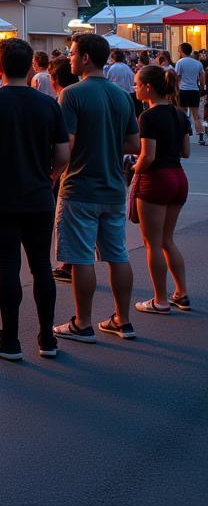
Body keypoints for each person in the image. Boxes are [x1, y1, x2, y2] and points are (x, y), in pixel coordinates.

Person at [0, 38, 70, 360]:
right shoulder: (49, 104)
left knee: (8, 268)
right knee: (41, 266)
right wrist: (50, 176)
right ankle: (47, 339)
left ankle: (10, 339)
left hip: (0, 197)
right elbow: (63, 154)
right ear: (30, 68)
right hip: (39, 197)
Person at [52, 34, 140, 344]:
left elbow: (68, 144)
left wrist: (52, 172)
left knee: (80, 257)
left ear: (86, 57)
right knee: (118, 255)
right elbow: (133, 143)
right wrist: (105, 142)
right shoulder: (121, 96)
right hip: (114, 187)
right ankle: (123, 320)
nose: (70, 58)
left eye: (73, 53)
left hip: (79, 187)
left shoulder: (72, 95)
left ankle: (83, 322)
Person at [132, 65, 191, 313]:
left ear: (148, 87)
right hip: (179, 177)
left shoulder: (148, 117)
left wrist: (133, 168)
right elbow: (185, 152)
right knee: (167, 240)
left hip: (157, 179)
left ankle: (160, 300)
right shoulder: (179, 114)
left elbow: (148, 156)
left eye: (136, 84)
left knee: (152, 243)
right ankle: (181, 293)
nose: (134, 88)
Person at [48, 57, 79, 284]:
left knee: (68, 222)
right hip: (105, 175)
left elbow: (65, 142)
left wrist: (54, 172)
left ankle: (68, 264)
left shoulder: (65, 98)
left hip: (72, 172)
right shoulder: (114, 94)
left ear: (54, 79)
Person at [174, 42, 205, 147]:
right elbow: (202, 77)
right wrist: (201, 87)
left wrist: (176, 89)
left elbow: (177, 77)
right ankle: (201, 136)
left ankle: (184, 133)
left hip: (183, 90)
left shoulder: (180, 62)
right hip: (194, 91)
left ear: (182, 51)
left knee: (182, 113)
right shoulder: (197, 63)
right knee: (196, 116)